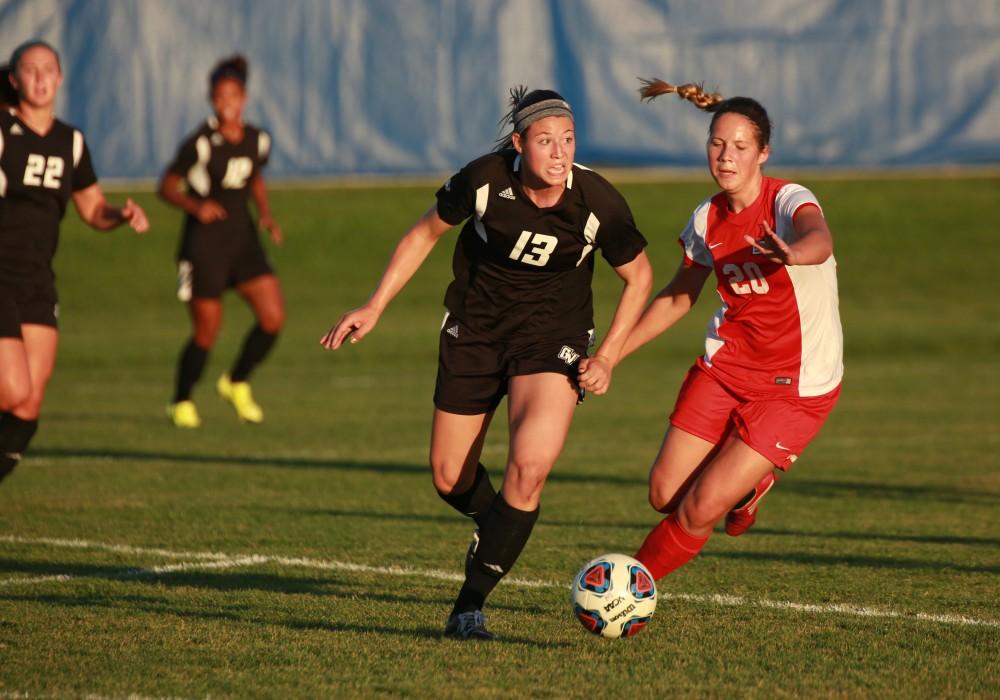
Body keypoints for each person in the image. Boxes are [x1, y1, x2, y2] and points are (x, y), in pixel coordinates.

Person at [321, 87, 653, 640]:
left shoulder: (597, 200)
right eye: (545, 141)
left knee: (530, 468)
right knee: (449, 477)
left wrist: (610, 356)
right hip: (474, 332)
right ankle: (498, 523)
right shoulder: (483, 180)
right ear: (520, 143)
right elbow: (424, 232)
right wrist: (374, 305)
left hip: (553, 339)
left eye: (568, 140)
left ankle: (468, 605)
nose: (559, 153)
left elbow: (639, 277)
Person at [619, 80, 843, 581]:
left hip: (796, 387)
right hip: (727, 370)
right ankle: (745, 487)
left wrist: (793, 253)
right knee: (664, 494)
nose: (725, 156)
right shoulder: (707, 217)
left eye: (740, 147)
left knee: (697, 509)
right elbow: (679, 295)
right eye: (717, 144)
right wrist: (613, 355)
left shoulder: (786, 201)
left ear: (763, 152)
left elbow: (819, 239)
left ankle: (628, 588)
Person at [0, 40, 149, 484]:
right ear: (14, 80)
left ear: (62, 78)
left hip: (37, 281)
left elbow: (92, 209)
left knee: (29, 406)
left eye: (49, 69)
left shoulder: (71, 141)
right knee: (12, 389)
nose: (41, 78)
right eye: (30, 70)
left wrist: (119, 215)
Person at [160, 55, 284, 428]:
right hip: (203, 247)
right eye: (218, 97)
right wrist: (195, 206)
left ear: (244, 97)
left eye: (232, 96)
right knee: (206, 331)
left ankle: (235, 382)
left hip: (242, 241)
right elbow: (165, 186)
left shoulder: (257, 139)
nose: (225, 103)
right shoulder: (200, 143)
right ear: (211, 99)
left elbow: (255, 179)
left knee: (273, 318)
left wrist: (265, 214)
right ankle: (180, 400)